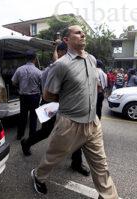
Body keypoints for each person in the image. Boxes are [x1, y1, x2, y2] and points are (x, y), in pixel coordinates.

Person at [30, 25, 119, 198]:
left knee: (101, 165)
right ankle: (38, 176)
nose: (83, 34)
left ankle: (109, 196)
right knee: (53, 158)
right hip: (69, 123)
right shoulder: (60, 65)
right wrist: (69, 100)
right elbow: (48, 95)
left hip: (93, 122)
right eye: (78, 32)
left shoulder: (92, 59)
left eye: (83, 32)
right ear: (66, 40)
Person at [20, 42, 90, 176]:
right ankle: (26, 143)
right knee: (46, 132)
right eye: (70, 52)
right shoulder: (52, 69)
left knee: (76, 133)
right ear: (62, 53)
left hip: (68, 106)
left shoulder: (71, 67)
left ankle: (76, 163)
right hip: (50, 105)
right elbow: (48, 91)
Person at [12, 50, 42, 140]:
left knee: (23, 116)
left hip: (23, 96)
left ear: (26, 59)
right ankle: (32, 136)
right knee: (33, 117)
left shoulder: (19, 69)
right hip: (35, 96)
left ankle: (19, 135)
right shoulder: (38, 71)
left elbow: (13, 82)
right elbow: (42, 84)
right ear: (35, 59)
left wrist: (19, 87)